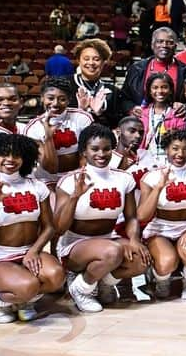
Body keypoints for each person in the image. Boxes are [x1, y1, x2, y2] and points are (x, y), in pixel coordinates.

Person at [54, 125, 150, 312]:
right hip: (75, 244)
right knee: (113, 252)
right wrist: (74, 196)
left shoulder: (123, 178)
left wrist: (134, 240)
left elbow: (131, 217)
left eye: (106, 149)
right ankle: (81, 289)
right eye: (95, 149)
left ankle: (104, 282)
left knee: (141, 259)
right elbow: (59, 228)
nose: (101, 154)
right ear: (84, 151)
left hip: (107, 238)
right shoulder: (70, 180)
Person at [0, 134, 64, 323]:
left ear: (25, 158)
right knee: (29, 285)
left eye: (16, 155)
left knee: (56, 277)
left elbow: (49, 227)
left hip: (27, 251)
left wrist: (34, 251)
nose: (10, 160)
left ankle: (22, 300)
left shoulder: (37, 187)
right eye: (4, 154)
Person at [137, 129, 186, 300]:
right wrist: (158, 188)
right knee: (166, 263)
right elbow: (142, 216)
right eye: (175, 148)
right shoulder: (151, 177)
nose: (180, 153)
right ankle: (161, 281)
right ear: (166, 149)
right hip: (161, 228)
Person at [23, 77, 94, 189]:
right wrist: (48, 138)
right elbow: (51, 168)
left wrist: (80, 178)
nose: (55, 104)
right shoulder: (32, 128)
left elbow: (85, 156)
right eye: (50, 98)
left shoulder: (82, 118)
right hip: (47, 180)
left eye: (62, 99)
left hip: (77, 176)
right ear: (42, 98)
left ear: (69, 100)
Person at [123, 28, 186, 107]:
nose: (164, 45)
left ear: (175, 46)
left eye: (170, 42)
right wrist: (131, 109)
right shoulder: (136, 69)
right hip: (141, 117)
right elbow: (124, 97)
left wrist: (185, 107)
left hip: (175, 117)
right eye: (160, 41)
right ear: (152, 45)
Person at [139, 72, 186, 165]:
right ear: (149, 90)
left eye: (164, 87)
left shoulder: (177, 114)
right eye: (155, 87)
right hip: (144, 161)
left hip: (168, 162)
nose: (160, 91)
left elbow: (181, 141)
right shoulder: (142, 113)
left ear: (170, 90)